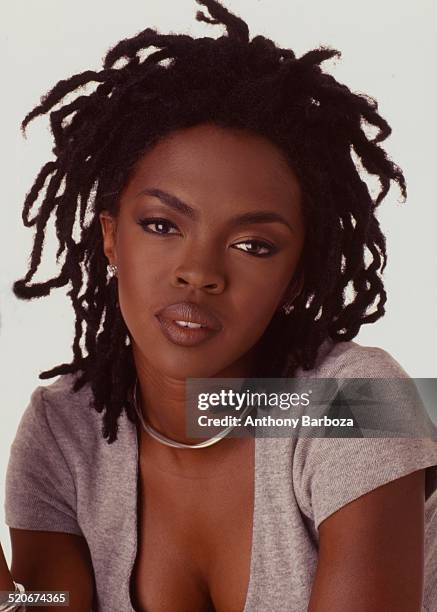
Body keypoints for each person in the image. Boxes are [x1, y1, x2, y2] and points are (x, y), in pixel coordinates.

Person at [2, 0, 436, 610]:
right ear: (109, 237)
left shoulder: (357, 402)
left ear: (295, 275)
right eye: (160, 225)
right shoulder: (63, 430)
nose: (199, 273)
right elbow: (42, 605)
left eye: (253, 244)